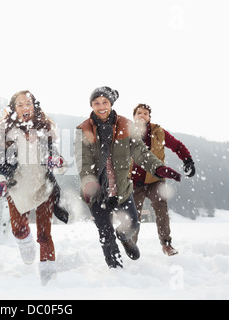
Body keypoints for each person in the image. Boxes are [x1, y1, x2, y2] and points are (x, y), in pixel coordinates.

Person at [74, 86, 182, 269]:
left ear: (111, 103)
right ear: (91, 105)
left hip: (121, 190)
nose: (101, 106)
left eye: (105, 102)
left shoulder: (125, 125)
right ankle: (115, 269)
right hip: (96, 192)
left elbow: (140, 152)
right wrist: (89, 183)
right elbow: (83, 161)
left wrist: (159, 168)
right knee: (105, 234)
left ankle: (125, 238)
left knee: (132, 224)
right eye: (96, 103)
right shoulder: (83, 129)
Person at [0, 90, 69, 285]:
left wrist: (59, 163)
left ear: (34, 107)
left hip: (44, 187)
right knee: (18, 230)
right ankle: (24, 241)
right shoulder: (7, 134)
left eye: (28, 104)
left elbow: (57, 159)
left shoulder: (45, 130)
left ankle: (49, 278)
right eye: (20, 105)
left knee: (44, 234)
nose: (25, 108)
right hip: (17, 188)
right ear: (13, 109)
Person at [131, 103, 195, 256]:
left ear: (149, 117)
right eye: (139, 113)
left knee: (162, 209)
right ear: (134, 116)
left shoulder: (158, 132)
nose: (142, 115)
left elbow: (177, 146)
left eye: (145, 113)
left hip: (155, 180)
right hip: (134, 182)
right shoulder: (126, 132)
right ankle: (131, 245)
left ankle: (166, 244)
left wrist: (188, 160)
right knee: (133, 214)